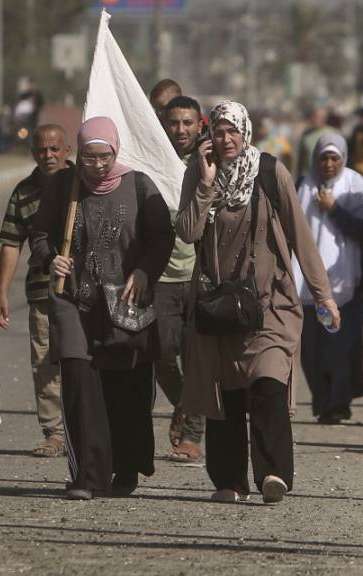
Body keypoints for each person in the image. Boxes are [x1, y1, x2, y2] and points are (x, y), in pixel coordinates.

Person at [176, 100, 338, 505]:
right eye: (219, 131)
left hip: (270, 305)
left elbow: (301, 236)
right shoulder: (199, 172)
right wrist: (207, 184)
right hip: (218, 306)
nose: (226, 139)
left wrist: (323, 296)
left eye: (233, 131)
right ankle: (230, 480)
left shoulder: (269, 171)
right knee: (227, 394)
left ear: (245, 132)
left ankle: (273, 473)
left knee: (267, 383)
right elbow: (189, 231)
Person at [31, 116, 174, 500]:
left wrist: (145, 270)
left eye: (104, 157)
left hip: (124, 302)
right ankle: (86, 476)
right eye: (89, 158)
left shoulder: (139, 185)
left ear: (116, 151)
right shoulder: (64, 185)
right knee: (78, 379)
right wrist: (50, 260)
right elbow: (41, 233)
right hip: (73, 300)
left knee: (125, 386)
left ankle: (124, 468)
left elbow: (162, 236)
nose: (96, 166)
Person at [0, 124, 71, 457]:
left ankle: (86, 427)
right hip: (42, 294)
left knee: (85, 362)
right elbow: (11, 242)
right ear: (33, 153)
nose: (48, 156)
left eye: (55, 149)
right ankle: (54, 432)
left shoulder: (83, 184)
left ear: (66, 151)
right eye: (42, 150)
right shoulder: (24, 192)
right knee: (44, 363)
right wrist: (1, 294)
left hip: (83, 295)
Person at [293, 133, 363, 424]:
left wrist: (335, 210)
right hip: (307, 285)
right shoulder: (302, 185)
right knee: (312, 349)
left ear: (343, 159)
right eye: (323, 158)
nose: (328, 164)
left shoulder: (355, 185)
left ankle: (339, 402)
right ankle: (323, 402)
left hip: (344, 283)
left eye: (334, 158)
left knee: (338, 347)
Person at [154, 94, 207, 463]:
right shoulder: (150, 162)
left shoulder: (210, 162)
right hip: (161, 276)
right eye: (174, 123)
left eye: (188, 123)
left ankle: (193, 434)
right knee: (162, 353)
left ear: (199, 124)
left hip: (201, 276)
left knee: (199, 357)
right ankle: (185, 405)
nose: (181, 130)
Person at [297, 107, 338, 182]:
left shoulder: (333, 133)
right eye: (313, 116)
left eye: (317, 116)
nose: (314, 119)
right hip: (307, 178)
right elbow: (301, 159)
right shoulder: (306, 135)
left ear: (324, 118)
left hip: (327, 178)